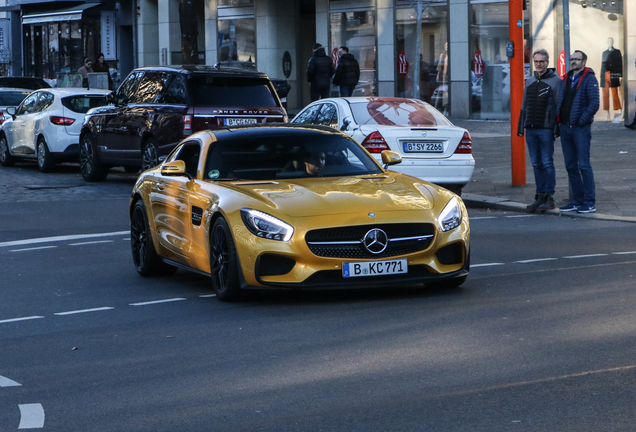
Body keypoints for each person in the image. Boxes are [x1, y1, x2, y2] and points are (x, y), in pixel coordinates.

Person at [517, 49, 563, 211]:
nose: (538, 64)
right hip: (531, 128)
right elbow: (524, 105)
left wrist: (557, 128)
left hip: (546, 128)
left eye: (541, 61)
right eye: (536, 61)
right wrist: (520, 126)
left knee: (547, 162)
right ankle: (540, 195)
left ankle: (549, 196)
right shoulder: (529, 82)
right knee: (536, 164)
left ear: (547, 62)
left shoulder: (557, 81)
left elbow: (559, 106)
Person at [556, 50, 600, 214]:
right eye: (572, 59)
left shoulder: (589, 79)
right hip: (565, 127)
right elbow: (561, 101)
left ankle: (589, 201)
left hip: (580, 129)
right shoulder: (566, 78)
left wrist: (581, 120)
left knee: (584, 165)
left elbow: (594, 103)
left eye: (577, 59)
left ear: (584, 61)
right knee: (570, 166)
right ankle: (577, 200)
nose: (573, 61)